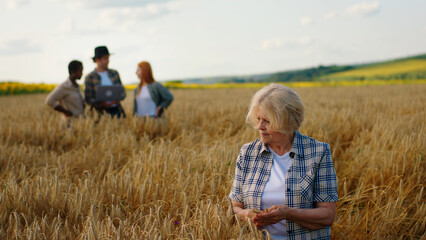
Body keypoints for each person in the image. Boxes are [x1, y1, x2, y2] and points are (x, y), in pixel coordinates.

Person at [229, 84, 338, 240]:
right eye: (258, 119)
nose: (259, 126)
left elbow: (327, 216)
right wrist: (245, 214)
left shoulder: (318, 152)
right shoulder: (247, 153)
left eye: (267, 121)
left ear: (287, 121)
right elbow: (234, 207)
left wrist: (288, 214)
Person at [84, 46, 126, 118]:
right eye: (105, 58)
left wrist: (117, 100)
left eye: (108, 58)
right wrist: (101, 104)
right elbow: (88, 98)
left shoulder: (114, 73)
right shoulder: (90, 77)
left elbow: (122, 91)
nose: (108, 61)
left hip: (117, 111)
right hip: (99, 114)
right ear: (97, 60)